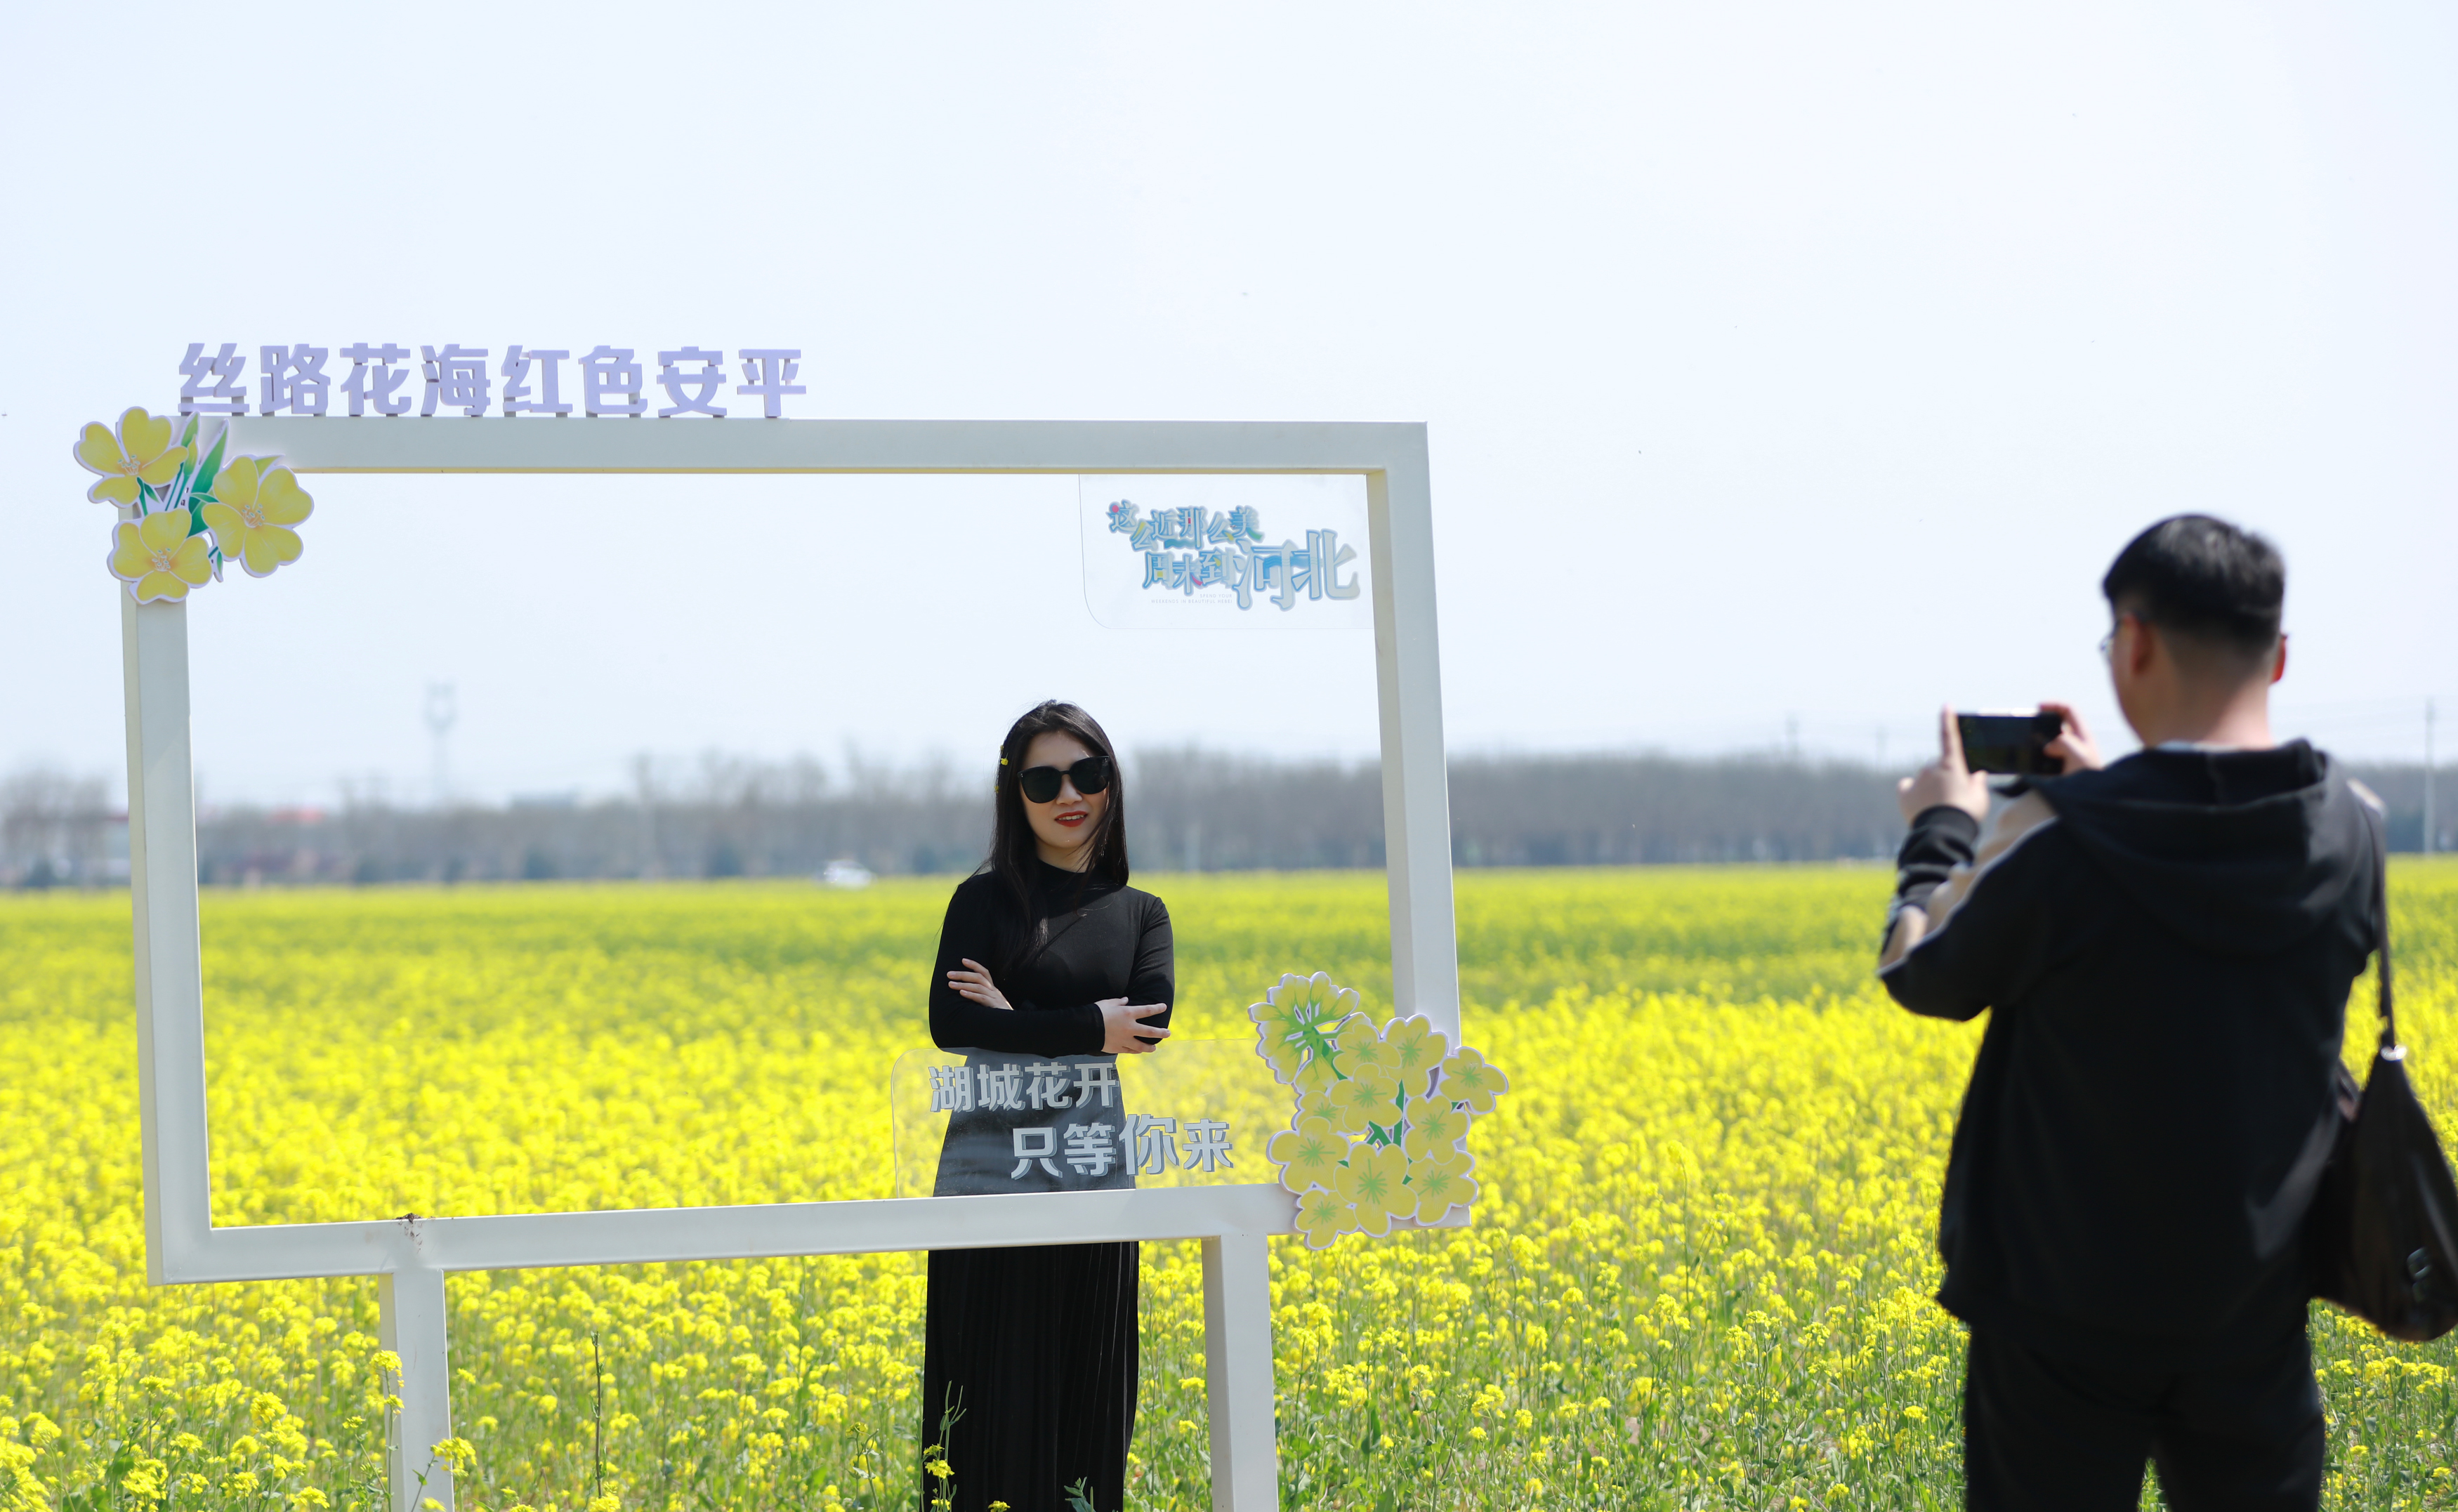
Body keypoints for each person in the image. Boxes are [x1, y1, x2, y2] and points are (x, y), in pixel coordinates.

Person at [1880, 515, 2384, 1511]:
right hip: (2255, 1305)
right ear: (2278, 656)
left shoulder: (2057, 835)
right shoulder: (2351, 826)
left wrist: (1943, 825)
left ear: (2137, 642)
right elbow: (2210, 869)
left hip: (2060, 1313)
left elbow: (1921, 968)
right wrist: (2114, 789)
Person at [919, 700, 1174, 1512]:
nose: (1069, 794)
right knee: (982, 1403)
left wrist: (1015, 1017)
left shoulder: (1140, 912)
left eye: (1086, 773)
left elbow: (1147, 1025)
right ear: (1014, 794)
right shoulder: (982, 901)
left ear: (1110, 783)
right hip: (989, 1176)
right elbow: (950, 1022)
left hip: (1092, 1178)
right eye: (1043, 780)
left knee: (1084, 1397)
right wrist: (1088, 1026)